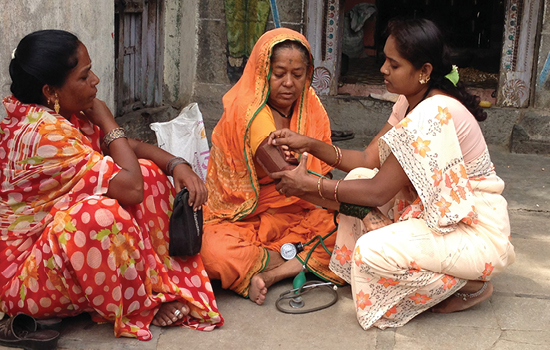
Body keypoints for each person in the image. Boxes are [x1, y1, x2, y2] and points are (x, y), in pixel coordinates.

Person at [268, 18, 515, 329]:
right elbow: (369, 158)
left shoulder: (433, 112)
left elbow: (377, 192)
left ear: (424, 71)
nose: (383, 69)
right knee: (357, 175)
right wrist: (309, 144)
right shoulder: (410, 101)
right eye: (384, 59)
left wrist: (310, 186)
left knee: (371, 252)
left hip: (474, 231)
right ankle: (367, 274)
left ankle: (469, 285)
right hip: (436, 217)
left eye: (394, 64)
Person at [1, 29, 223, 341]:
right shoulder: (46, 134)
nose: (95, 81)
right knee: (99, 216)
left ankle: (151, 285)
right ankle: (140, 304)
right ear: (50, 91)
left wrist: (177, 165)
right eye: (84, 75)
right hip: (25, 283)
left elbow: (127, 149)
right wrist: (108, 121)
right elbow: (131, 187)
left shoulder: (58, 114)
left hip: (53, 258)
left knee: (149, 172)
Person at [201, 27, 345, 305]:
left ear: (308, 74)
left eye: (298, 75)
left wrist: (342, 206)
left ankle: (273, 273)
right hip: (244, 217)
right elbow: (281, 170)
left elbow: (324, 169)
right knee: (212, 252)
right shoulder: (249, 108)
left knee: (348, 229)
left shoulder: (310, 105)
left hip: (300, 212)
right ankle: (294, 257)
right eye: (279, 74)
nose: (289, 83)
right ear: (261, 72)